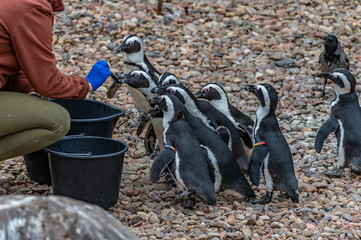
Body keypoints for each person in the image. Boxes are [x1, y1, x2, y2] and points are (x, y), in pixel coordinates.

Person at [0, 0, 111, 161]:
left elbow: (10, 59)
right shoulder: (31, 7)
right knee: (58, 120)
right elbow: (48, 83)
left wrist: (29, 90)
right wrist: (86, 84)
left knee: (37, 103)